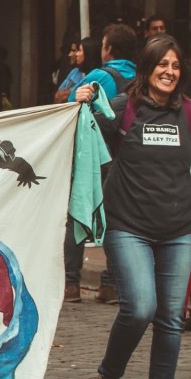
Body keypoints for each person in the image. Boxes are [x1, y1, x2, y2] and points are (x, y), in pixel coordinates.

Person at [77, 35, 191, 379]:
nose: (169, 71)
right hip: (128, 226)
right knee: (140, 307)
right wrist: (78, 101)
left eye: (175, 66)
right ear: (146, 70)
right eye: (161, 64)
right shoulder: (121, 110)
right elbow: (80, 132)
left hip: (180, 228)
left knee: (170, 318)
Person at [76, 23, 143, 303]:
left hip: (95, 156)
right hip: (128, 159)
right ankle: (114, 283)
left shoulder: (98, 76)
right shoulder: (142, 78)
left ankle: (71, 282)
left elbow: (71, 110)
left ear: (109, 49)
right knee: (121, 218)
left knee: (81, 214)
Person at [52, 38, 96, 105]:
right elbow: (57, 96)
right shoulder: (74, 71)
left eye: (78, 50)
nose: (76, 54)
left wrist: (70, 95)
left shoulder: (93, 77)